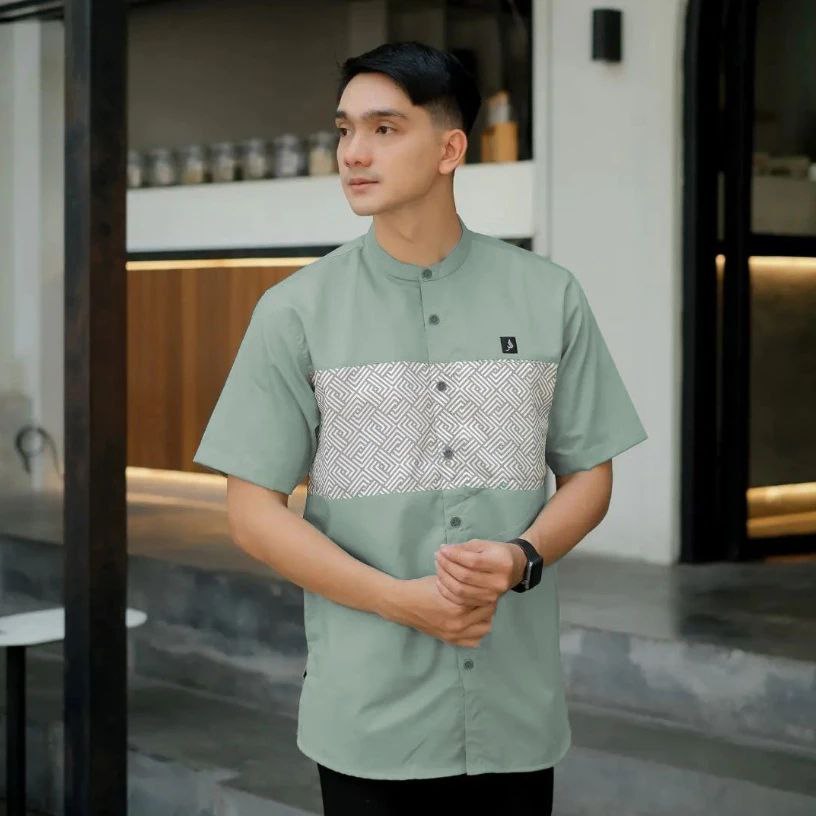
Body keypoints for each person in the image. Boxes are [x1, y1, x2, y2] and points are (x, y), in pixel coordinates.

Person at [193, 40, 648, 816]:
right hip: (369, 713)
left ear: (450, 149)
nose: (353, 153)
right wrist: (398, 601)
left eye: (384, 129)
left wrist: (521, 556)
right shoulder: (295, 311)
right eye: (345, 130)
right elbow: (251, 511)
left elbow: (590, 473)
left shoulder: (550, 296)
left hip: (513, 708)